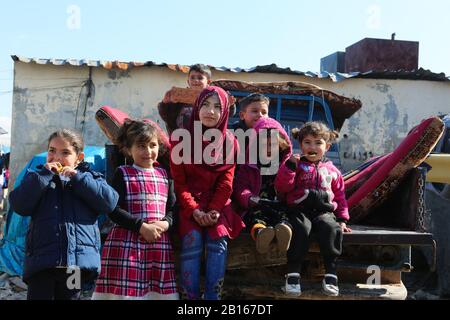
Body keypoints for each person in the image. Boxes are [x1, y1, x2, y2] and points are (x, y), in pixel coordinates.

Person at [9, 129, 118, 300]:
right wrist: (43, 176)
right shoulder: (37, 178)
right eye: (52, 151)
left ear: (79, 158)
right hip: (42, 263)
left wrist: (78, 178)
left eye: (65, 152)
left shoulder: (89, 178)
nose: (57, 158)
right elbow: (19, 205)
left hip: (74, 266)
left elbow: (109, 202)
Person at [170, 86, 244, 300]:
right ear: (196, 107)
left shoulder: (230, 142)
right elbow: (180, 183)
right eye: (205, 105)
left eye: (217, 107)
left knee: (217, 240)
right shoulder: (180, 140)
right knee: (192, 239)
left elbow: (226, 182)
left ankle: (213, 297)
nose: (211, 112)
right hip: (188, 204)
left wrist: (213, 210)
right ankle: (190, 298)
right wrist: (194, 210)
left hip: (218, 204)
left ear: (225, 113)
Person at [92, 119, 179, 300]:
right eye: (141, 146)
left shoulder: (165, 175)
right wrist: (141, 226)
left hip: (157, 244)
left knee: (154, 293)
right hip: (127, 246)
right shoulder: (122, 174)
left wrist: (164, 224)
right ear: (128, 149)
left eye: (152, 145)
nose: (148, 151)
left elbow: (172, 209)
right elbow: (112, 209)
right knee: (128, 293)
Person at [275, 121, 352, 297]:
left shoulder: (333, 171)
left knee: (331, 228)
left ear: (327, 146)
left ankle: (331, 274)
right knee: (301, 229)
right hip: (299, 210)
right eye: (307, 142)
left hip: (324, 212)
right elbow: (282, 187)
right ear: (300, 145)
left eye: (318, 143)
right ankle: (293, 275)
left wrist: (341, 219)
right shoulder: (295, 164)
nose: (312, 147)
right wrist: (290, 167)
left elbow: (340, 197)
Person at [232, 117, 293, 254]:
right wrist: (249, 198)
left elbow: (290, 186)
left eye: (274, 145)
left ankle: (285, 232)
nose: (269, 149)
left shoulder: (286, 165)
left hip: (279, 204)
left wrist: (289, 170)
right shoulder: (249, 166)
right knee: (254, 217)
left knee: (285, 216)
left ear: (282, 145)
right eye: (264, 144)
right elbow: (240, 187)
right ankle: (261, 233)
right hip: (257, 204)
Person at [158, 64, 212, 135]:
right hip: (181, 142)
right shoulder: (178, 99)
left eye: (200, 78)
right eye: (192, 78)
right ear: (188, 81)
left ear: (208, 82)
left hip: (204, 142)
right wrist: (165, 103)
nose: (195, 80)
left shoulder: (212, 99)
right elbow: (166, 117)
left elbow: (222, 118)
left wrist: (229, 105)